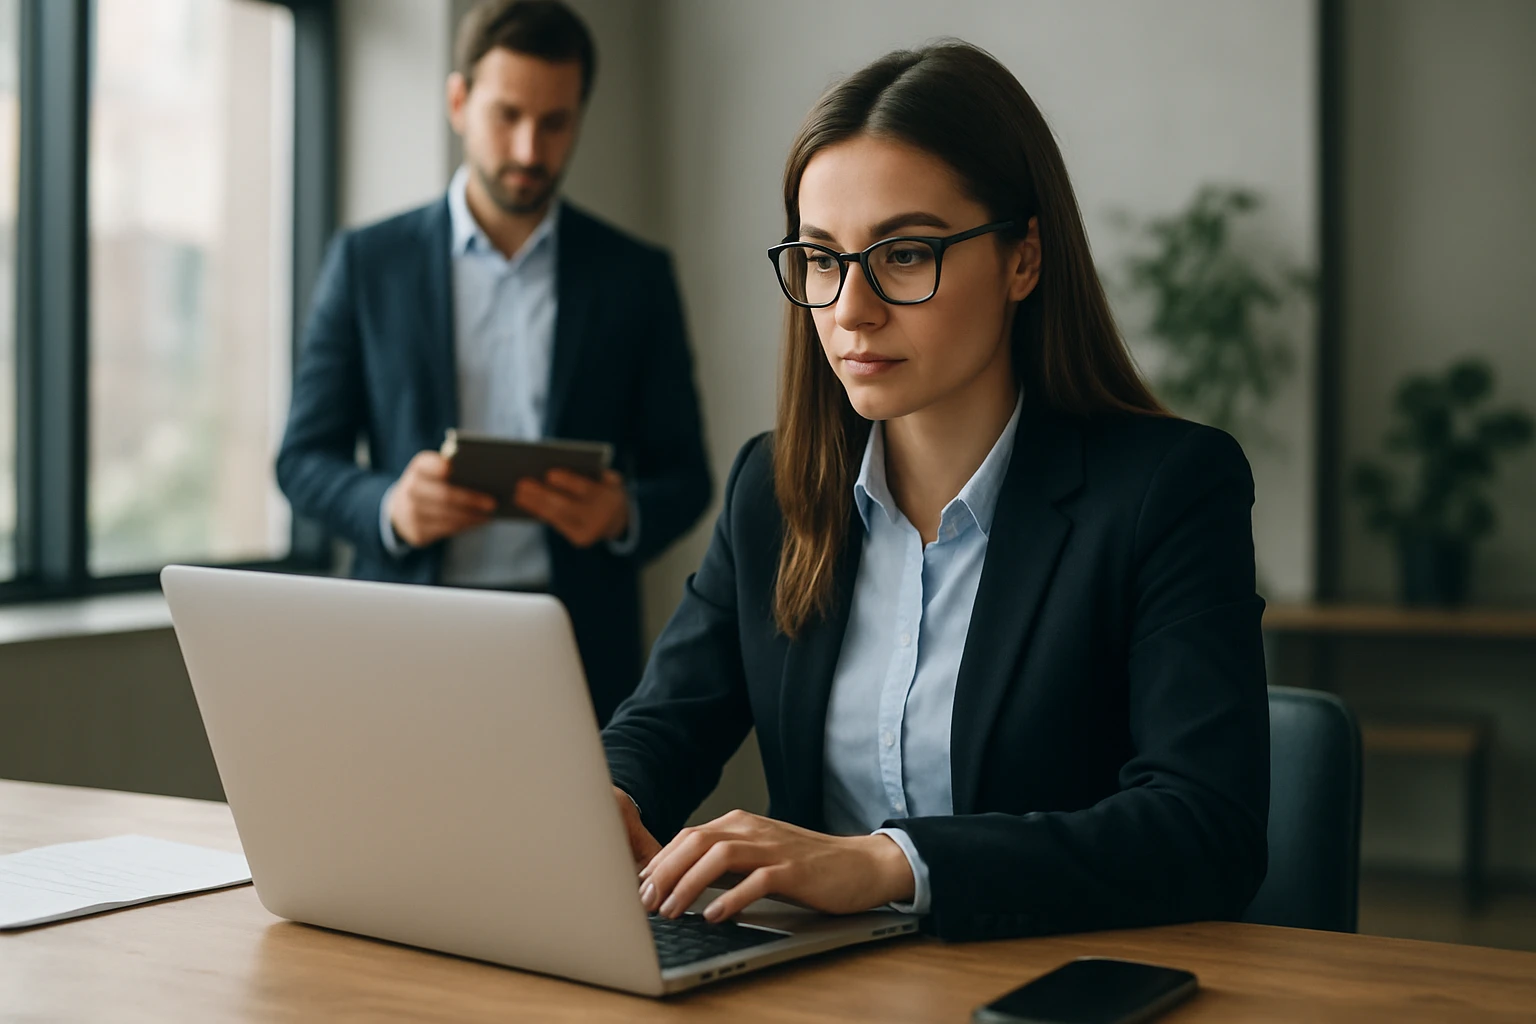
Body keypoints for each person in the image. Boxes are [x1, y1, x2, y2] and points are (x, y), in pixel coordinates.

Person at [600, 41, 1270, 941]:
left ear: (1023, 259)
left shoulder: (1167, 491)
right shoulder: (776, 487)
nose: (850, 310)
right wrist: (605, 798)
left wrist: (885, 863)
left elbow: (1205, 830)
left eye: (906, 254)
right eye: (822, 258)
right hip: (813, 993)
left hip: (1045, 987)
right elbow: (664, 722)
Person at [276, 0, 711, 724]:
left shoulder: (635, 277)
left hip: (578, 644)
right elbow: (302, 459)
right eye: (507, 115)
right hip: (404, 632)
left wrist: (620, 511)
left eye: (555, 122)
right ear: (458, 100)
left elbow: (687, 475)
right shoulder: (367, 264)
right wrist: (389, 507)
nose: (529, 151)